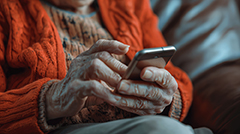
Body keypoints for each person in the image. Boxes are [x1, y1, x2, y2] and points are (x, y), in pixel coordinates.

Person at [0, 0, 212, 133]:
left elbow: (177, 78)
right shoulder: (7, 9)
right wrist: (52, 99)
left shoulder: (130, 4)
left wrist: (166, 100)